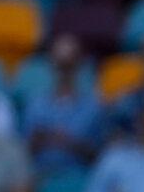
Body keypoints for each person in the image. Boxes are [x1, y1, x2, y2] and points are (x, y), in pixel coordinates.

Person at [22, 34, 101, 171]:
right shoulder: (35, 104)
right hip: (38, 177)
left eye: (68, 65)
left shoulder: (93, 107)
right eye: (60, 64)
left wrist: (70, 142)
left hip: (77, 178)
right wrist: (38, 140)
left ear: (79, 64)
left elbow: (99, 155)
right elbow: (21, 152)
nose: (63, 72)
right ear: (51, 64)